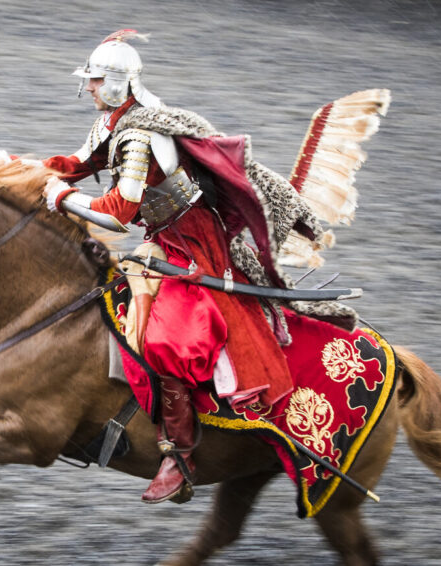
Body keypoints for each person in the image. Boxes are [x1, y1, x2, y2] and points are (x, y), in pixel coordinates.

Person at [42, 29, 340, 504]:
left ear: (118, 83)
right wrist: (19, 172)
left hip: (192, 245)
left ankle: (180, 456)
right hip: (163, 238)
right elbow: (75, 162)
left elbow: (116, 214)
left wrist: (62, 198)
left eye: (96, 80)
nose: (90, 88)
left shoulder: (139, 134)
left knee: (166, 340)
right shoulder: (113, 123)